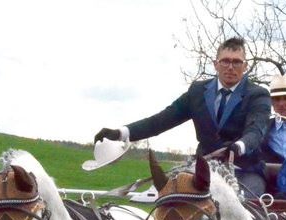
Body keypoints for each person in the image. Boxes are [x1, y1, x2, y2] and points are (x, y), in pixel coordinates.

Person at [94, 37, 271, 198]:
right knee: (173, 205)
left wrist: (239, 146)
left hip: (245, 172)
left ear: (245, 66)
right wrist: (121, 133)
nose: (230, 67)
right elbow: (162, 120)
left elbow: (256, 130)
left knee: (240, 210)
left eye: (236, 62)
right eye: (225, 61)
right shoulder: (197, 91)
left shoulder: (258, 95)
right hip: (203, 172)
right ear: (215, 64)